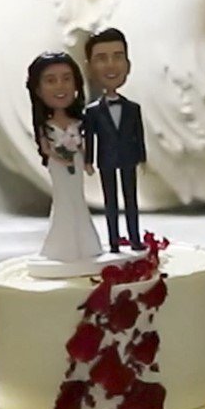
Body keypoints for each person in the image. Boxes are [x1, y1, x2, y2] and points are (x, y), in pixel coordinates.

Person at [26, 52, 106, 272]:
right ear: (38, 89)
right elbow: (45, 148)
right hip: (58, 166)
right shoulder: (46, 125)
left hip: (77, 164)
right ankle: (60, 246)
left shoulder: (80, 121)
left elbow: (86, 143)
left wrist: (87, 159)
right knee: (63, 201)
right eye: (51, 80)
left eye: (66, 78)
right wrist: (58, 155)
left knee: (78, 199)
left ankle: (86, 244)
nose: (60, 86)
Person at [82, 28, 146, 250]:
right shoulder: (92, 112)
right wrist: (88, 160)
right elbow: (89, 136)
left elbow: (139, 134)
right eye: (101, 58)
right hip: (106, 159)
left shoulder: (133, 108)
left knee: (131, 200)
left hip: (129, 158)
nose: (111, 65)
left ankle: (135, 238)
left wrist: (142, 157)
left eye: (117, 57)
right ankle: (114, 242)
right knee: (110, 202)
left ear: (128, 64)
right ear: (90, 67)